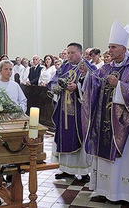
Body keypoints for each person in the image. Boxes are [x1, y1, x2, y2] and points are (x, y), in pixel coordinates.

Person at [80, 21, 129, 204]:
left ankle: (126, 194)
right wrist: (90, 76)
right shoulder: (106, 68)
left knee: (124, 160)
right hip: (104, 121)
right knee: (105, 158)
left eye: (113, 47)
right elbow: (94, 85)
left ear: (124, 48)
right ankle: (104, 190)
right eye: (109, 47)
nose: (109, 50)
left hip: (126, 122)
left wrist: (119, 86)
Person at [49, 42, 94, 181]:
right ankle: (66, 169)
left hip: (80, 112)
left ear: (80, 53)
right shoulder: (64, 67)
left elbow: (94, 85)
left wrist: (78, 87)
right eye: (68, 53)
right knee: (64, 138)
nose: (69, 55)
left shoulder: (87, 68)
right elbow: (53, 82)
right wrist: (58, 86)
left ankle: (84, 171)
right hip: (64, 111)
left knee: (80, 138)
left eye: (73, 53)